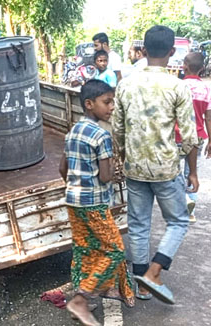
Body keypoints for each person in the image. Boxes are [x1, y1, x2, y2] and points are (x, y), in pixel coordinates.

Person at [113, 25, 198, 305]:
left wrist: (125, 157)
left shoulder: (125, 84)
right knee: (178, 220)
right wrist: (193, 171)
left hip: (135, 168)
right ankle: (154, 271)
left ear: (144, 51)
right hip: (165, 168)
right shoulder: (177, 86)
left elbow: (118, 130)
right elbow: (189, 136)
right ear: (173, 52)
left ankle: (143, 286)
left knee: (138, 225)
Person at [59, 80, 134, 326]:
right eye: (107, 102)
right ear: (90, 104)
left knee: (83, 248)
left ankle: (83, 297)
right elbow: (105, 176)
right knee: (114, 250)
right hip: (94, 204)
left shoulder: (73, 131)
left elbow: (63, 168)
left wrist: (77, 186)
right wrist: (112, 166)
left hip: (74, 201)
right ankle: (81, 300)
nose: (111, 107)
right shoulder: (102, 134)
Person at [174, 52, 211, 223]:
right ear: (202, 69)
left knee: (175, 172)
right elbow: (208, 117)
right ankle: (190, 208)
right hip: (197, 137)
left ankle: (182, 201)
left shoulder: (178, 86)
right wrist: (210, 140)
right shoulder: (205, 89)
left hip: (177, 136)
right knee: (192, 172)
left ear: (184, 66)